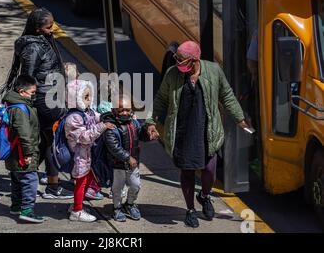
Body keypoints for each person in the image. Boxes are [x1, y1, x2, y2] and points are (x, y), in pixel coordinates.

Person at [146, 41, 249, 228]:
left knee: (209, 170)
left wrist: (239, 118)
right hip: (183, 132)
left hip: (207, 131)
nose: (177, 63)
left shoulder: (214, 71)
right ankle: (190, 209)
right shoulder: (172, 74)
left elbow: (226, 95)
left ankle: (204, 196)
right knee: (187, 172)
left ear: (194, 60)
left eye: (181, 59)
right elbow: (161, 99)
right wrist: (151, 121)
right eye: (176, 59)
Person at [0, 7, 73, 200]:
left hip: (51, 97)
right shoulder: (33, 47)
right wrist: (30, 101)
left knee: (44, 140)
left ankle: (25, 173)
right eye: (49, 27)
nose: (53, 29)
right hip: (45, 101)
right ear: (38, 29)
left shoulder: (44, 41)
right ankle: (52, 185)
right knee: (52, 141)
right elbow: (27, 76)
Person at [64, 79, 115, 222]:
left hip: (88, 155)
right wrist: (102, 126)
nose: (90, 99)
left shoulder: (87, 111)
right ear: (76, 99)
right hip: (79, 156)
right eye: (86, 97)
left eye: (90, 95)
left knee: (89, 180)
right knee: (81, 182)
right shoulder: (73, 118)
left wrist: (108, 117)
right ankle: (77, 211)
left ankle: (76, 204)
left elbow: (96, 117)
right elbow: (85, 137)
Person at [101, 95, 155, 222]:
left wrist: (149, 135)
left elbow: (140, 134)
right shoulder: (111, 127)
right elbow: (113, 147)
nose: (125, 113)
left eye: (127, 110)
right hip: (117, 165)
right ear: (114, 110)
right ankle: (117, 207)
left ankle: (130, 204)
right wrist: (127, 158)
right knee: (117, 189)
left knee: (136, 186)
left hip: (133, 164)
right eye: (120, 110)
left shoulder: (134, 123)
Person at [2, 75, 45, 223]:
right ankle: (27, 210)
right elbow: (24, 133)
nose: (34, 96)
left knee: (16, 179)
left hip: (13, 152)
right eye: (32, 93)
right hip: (22, 152)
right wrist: (28, 153)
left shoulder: (11, 104)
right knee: (30, 180)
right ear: (21, 91)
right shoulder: (20, 109)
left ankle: (16, 206)